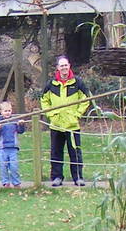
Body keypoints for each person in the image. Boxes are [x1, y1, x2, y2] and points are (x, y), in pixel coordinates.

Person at [36, 54, 92, 186]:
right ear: (57, 68)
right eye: (61, 65)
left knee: (75, 152)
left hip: (72, 125)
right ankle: (57, 177)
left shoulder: (77, 83)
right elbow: (44, 100)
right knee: (56, 151)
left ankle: (78, 177)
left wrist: (77, 114)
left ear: (69, 66)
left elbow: (86, 99)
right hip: (56, 125)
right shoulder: (51, 84)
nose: (64, 68)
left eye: (66, 65)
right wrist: (51, 114)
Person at [0, 99, 26, 187]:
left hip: (13, 147)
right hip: (2, 148)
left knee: (14, 166)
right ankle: (5, 182)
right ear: (1, 112)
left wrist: (21, 125)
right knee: (3, 166)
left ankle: (16, 182)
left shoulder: (15, 121)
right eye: (5, 111)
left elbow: (20, 131)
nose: (7, 113)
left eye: (9, 111)